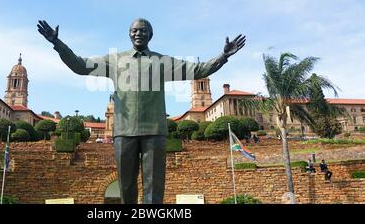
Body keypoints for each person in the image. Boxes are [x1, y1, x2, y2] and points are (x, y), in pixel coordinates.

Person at [38, 18, 245, 204]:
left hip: (154, 130)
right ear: (129, 34)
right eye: (135, 30)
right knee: (126, 186)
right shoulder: (115, 60)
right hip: (124, 132)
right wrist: (57, 44)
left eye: (144, 31)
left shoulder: (162, 62)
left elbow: (198, 69)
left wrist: (223, 55)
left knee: (154, 189)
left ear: (151, 35)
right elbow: (80, 65)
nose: (139, 34)